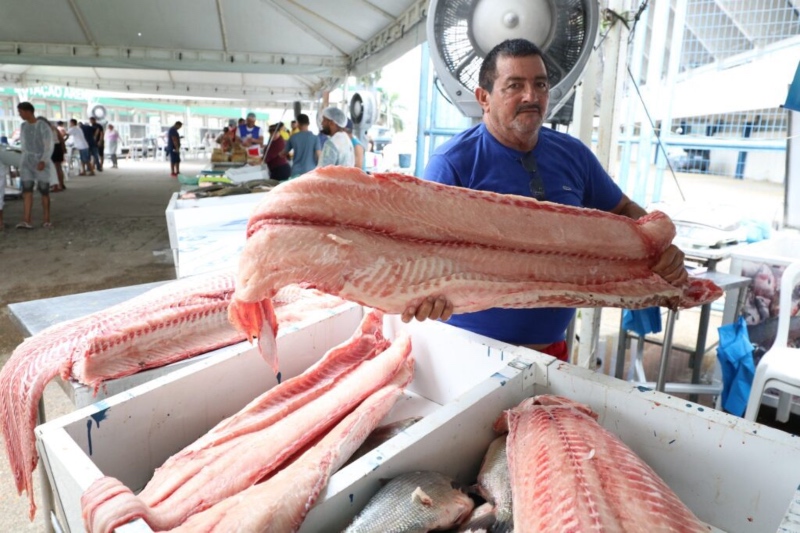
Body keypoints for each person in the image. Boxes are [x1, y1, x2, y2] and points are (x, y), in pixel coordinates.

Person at [405, 39, 687, 362]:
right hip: (467, 354)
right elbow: (419, 257)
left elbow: (623, 209)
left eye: (540, 84)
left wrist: (658, 246)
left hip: (552, 353)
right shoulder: (453, 164)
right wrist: (428, 298)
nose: (531, 96)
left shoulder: (573, 155)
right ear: (483, 97)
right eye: (515, 86)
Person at [16, 102, 54, 229]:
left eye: (20, 111)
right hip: (27, 161)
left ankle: (46, 219)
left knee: (44, 190)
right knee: (27, 189)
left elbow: (48, 145)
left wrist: (44, 160)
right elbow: (23, 145)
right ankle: (26, 219)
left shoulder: (43, 126)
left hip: (41, 161)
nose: (19, 114)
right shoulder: (23, 126)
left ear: (28, 112)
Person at [282, 113, 319, 178]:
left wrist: (278, 154)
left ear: (298, 124)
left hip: (296, 172)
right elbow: (318, 155)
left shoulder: (293, 137)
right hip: (311, 172)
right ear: (308, 123)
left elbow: (284, 153)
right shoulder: (315, 138)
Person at [50, 119, 67, 191]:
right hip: (58, 147)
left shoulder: (44, 129)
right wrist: (63, 148)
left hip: (51, 148)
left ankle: (55, 186)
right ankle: (61, 184)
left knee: (53, 168)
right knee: (58, 167)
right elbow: (61, 139)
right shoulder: (54, 128)